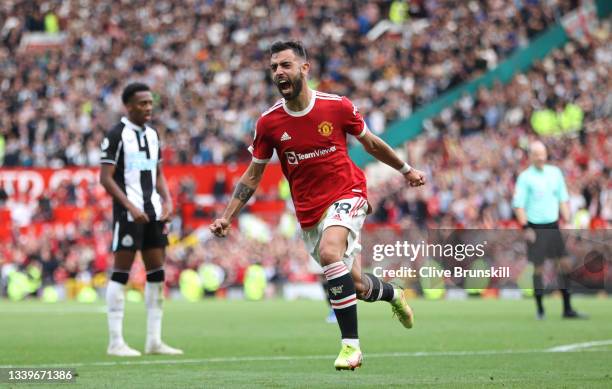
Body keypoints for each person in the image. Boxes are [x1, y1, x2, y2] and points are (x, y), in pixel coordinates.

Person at [210, 41, 426, 370]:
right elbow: (253, 175)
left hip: (348, 192)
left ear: (304, 69)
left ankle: (350, 348)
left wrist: (406, 169)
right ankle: (392, 295)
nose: (278, 73)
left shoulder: (336, 107)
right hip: (310, 212)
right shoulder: (268, 123)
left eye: (285, 65)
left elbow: (370, 143)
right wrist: (227, 217)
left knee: (329, 255)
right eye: (273, 68)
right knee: (355, 285)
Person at [100, 82, 183, 357]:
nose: (148, 107)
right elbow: (105, 178)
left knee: (157, 275)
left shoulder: (152, 135)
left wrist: (168, 200)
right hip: (128, 214)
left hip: (154, 212)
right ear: (129, 106)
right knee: (121, 274)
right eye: (142, 103)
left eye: (150, 102)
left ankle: (154, 341)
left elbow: (157, 173)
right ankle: (115, 342)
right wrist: (130, 206)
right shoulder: (116, 135)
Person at [512, 141, 585, 320]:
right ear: (530, 156)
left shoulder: (555, 173)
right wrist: (526, 227)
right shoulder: (525, 177)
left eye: (542, 153)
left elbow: (562, 198)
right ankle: (540, 309)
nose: (540, 157)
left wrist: (567, 220)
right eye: (536, 154)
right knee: (538, 268)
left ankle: (567, 308)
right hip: (535, 227)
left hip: (553, 226)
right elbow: (518, 205)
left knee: (565, 264)